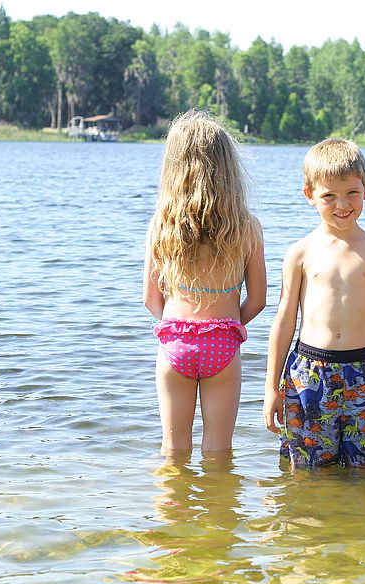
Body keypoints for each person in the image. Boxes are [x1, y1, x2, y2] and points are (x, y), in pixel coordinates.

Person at [262, 138, 365, 468]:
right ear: (309, 195)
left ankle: (359, 520)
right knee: (305, 471)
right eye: (329, 196)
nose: (342, 204)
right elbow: (284, 320)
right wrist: (271, 388)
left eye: (351, 193)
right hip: (308, 373)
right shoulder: (300, 253)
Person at [143, 109, 266, 454]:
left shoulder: (161, 224)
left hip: (175, 341)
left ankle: (169, 508)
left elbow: (151, 300)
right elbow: (258, 300)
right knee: (218, 450)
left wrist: (179, 327)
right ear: (228, 168)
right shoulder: (247, 227)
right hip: (222, 344)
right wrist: (223, 329)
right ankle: (219, 507)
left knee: (173, 448)